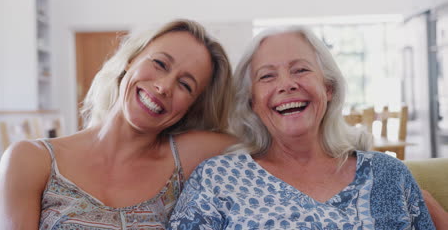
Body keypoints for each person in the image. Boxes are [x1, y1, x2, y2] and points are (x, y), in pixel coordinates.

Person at [168, 26, 436, 229]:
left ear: (328, 88)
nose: (286, 84)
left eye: (300, 70)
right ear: (252, 102)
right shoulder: (216, 179)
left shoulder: (390, 174)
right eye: (267, 76)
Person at [0, 19, 237, 229]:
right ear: (131, 59)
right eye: (160, 64)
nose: (164, 86)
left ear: (191, 107)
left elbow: (266, 141)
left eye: (185, 85)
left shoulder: (187, 157)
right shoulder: (31, 159)